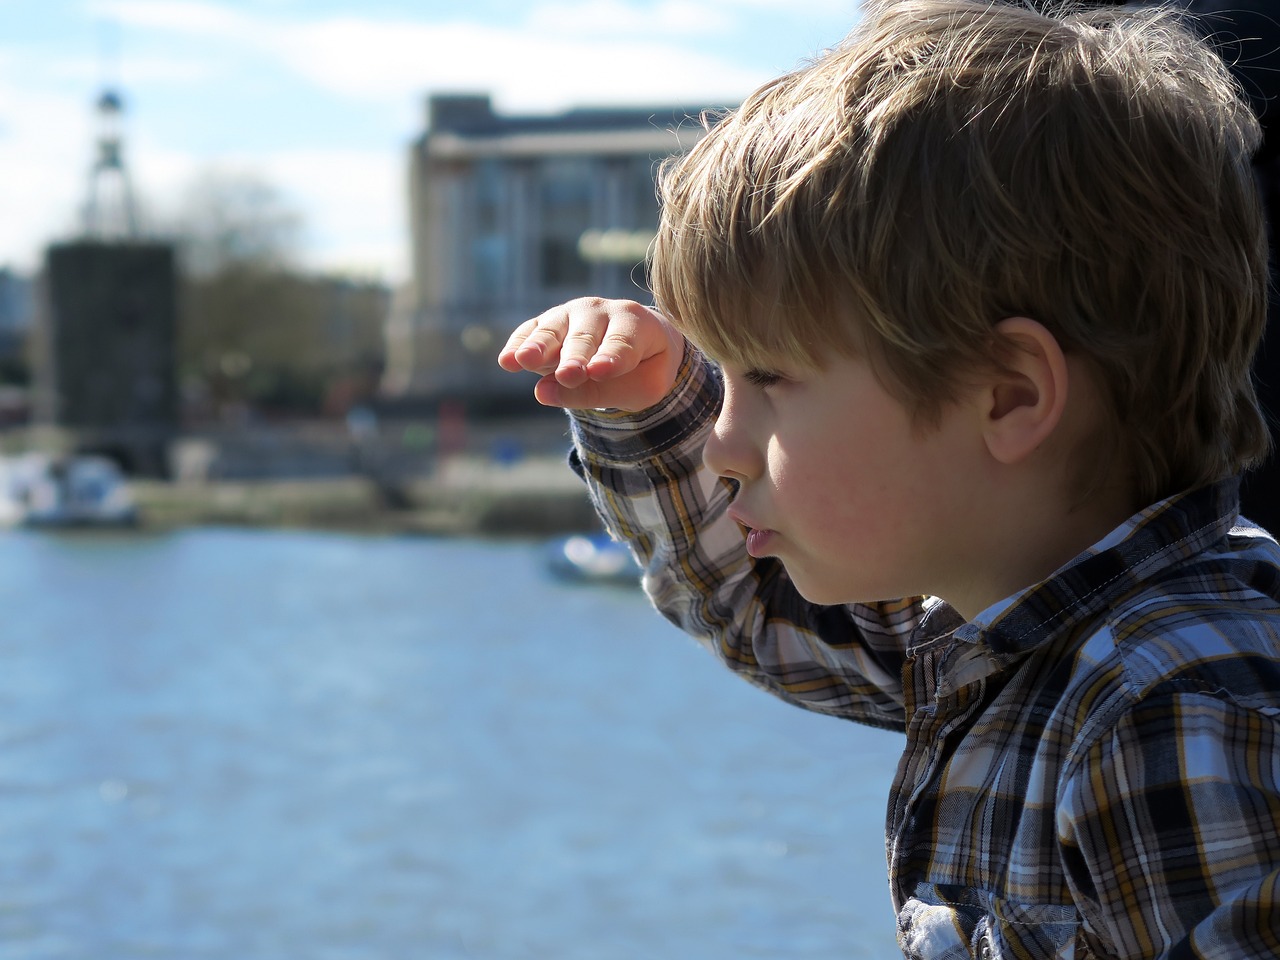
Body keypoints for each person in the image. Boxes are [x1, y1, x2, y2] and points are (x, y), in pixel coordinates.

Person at [498, 2, 1280, 957]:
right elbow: (760, 608)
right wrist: (651, 405)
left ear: (1007, 397)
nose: (722, 444)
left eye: (771, 378)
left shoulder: (1175, 715)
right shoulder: (990, 615)